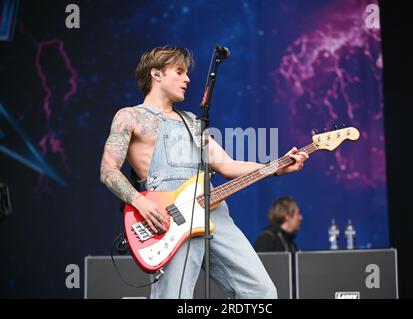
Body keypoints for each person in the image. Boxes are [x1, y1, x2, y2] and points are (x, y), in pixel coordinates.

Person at [99, 46, 309, 299]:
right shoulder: (129, 116)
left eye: (187, 72)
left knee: (262, 292)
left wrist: (277, 166)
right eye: (179, 71)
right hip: (169, 219)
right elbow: (108, 170)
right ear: (156, 75)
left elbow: (227, 165)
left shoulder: (192, 121)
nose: (187, 79)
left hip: (214, 214)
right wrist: (139, 201)